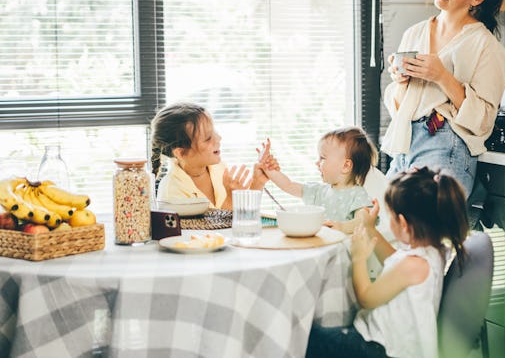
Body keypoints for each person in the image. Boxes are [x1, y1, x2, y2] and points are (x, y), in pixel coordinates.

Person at [382, 0, 505, 198]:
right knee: (388, 227)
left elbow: (484, 120)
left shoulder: (486, 46)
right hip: (405, 143)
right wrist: (401, 82)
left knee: (428, 232)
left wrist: (442, 76)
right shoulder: (414, 33)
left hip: (445, 144)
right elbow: (398, 107)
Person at [306, 166, 470, 358]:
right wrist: (370, 228)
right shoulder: (432, 252)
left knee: (310, 337)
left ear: (404, 224)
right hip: (382, 342)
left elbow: (366, 298)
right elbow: (394, 259)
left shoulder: (414, 266)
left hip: (381, 349)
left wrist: (359, 257)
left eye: (390, 216)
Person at [150, 102, 278, 210]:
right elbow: (207, 237)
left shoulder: (218, 169)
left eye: (214, 132)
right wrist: (230, 199)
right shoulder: (171, 193)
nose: (219, 138)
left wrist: (257, 183)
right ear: (181, 152)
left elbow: (243, 214)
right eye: (208, 138)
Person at [262, 126, 377, 233]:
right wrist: (268, 169)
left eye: (322, 158)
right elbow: (288, 185)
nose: (317, 163)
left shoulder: (357, 195)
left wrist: (342, 227)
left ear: (346, 166)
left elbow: (364, 221)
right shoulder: (318, 191)